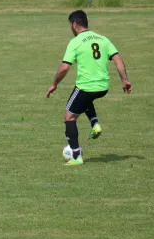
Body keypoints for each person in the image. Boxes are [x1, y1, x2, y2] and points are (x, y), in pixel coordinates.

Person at [46, 10, 132, 166]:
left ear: (74, 24)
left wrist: (54, 84)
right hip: (103, 87)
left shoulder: (76, 42)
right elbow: (118, 59)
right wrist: (125, 80)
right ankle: (95, 124)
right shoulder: (103, 39)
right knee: (84, 100)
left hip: (86, 87)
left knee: (69, 117)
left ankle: (76, 156)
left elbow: (64, 68)